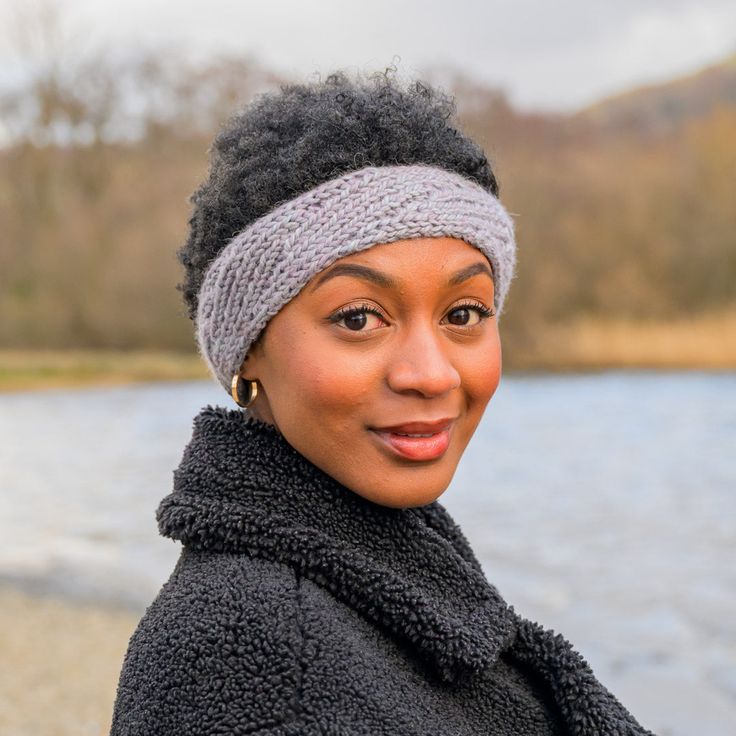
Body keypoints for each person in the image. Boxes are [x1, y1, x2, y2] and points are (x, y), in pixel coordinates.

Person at [109, 68, 655, 735]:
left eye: (464, 313)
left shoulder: (388, 588)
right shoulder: (244, 655)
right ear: (249, 348)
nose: (431, 375)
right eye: (360, 318)